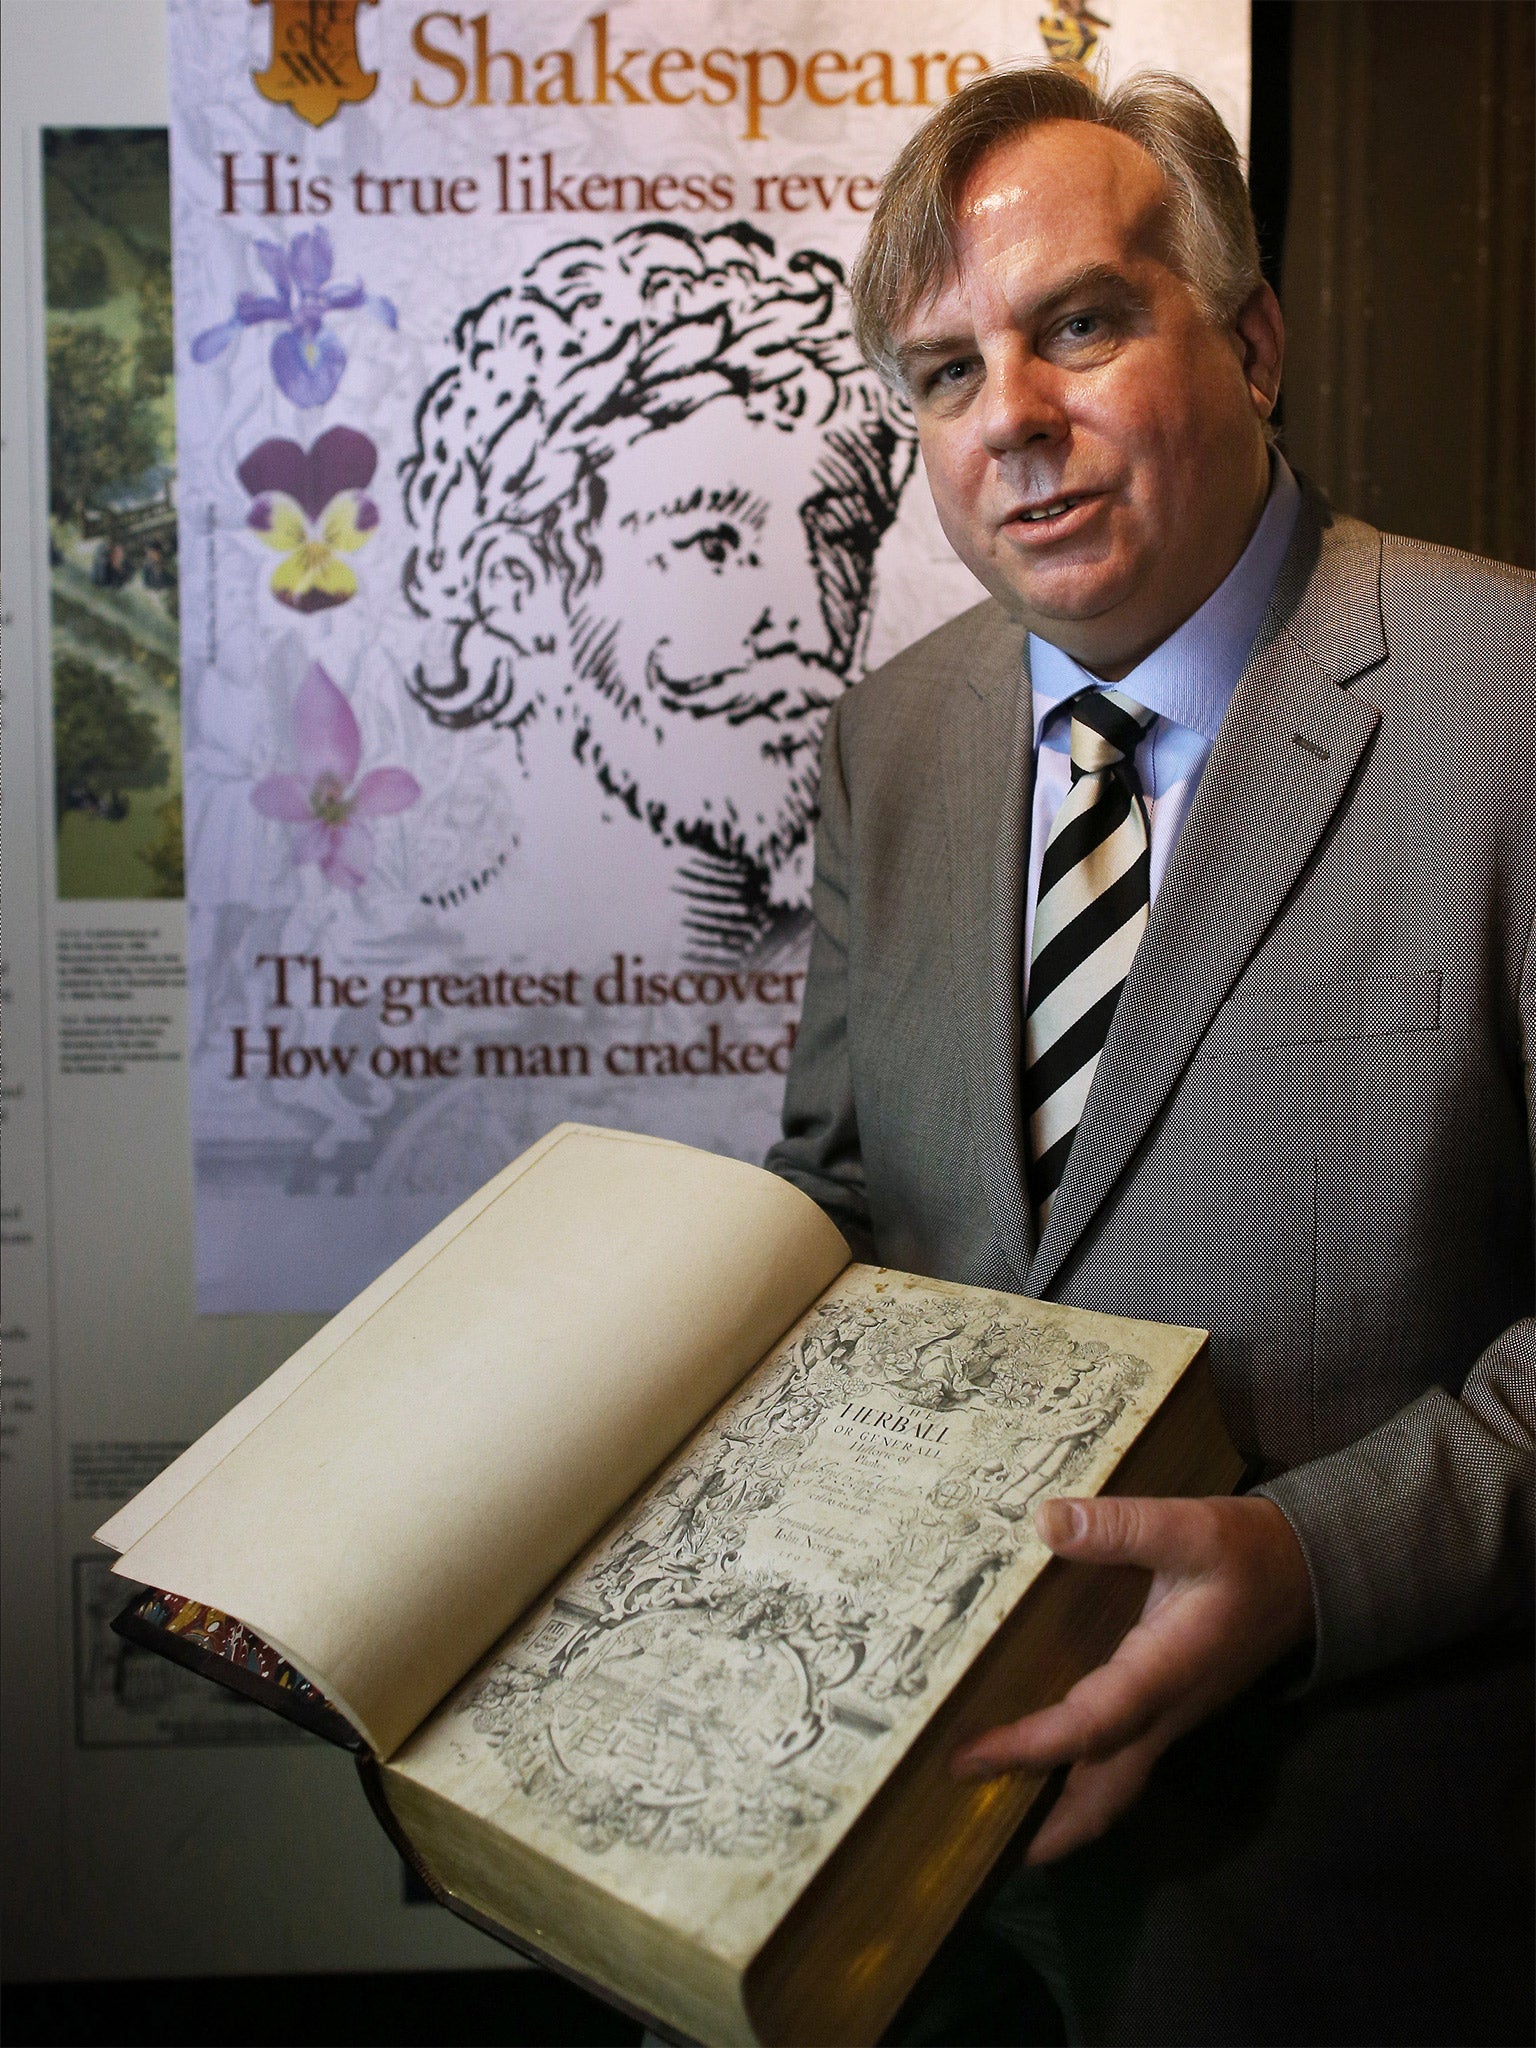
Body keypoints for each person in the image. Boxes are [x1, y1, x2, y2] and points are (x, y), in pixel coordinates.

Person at [766, 63, 1535, 2046]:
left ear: (1255, 342)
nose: (1007, 418)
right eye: (941, 374)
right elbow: (840, 1198)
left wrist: (1305, 1559)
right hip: (916, 1892)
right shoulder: (892, 744)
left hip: (1360, 1901)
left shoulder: (1511, 701)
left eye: (1079, 325)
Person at [399, 222, 916, 958]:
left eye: (840, 537)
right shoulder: (400, 974)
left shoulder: (898, 970)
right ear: (519, 587)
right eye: (713, 543)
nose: (808, 622)